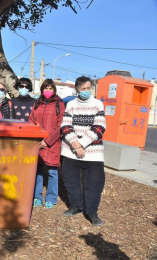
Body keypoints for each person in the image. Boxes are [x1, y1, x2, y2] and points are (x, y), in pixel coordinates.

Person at [60, 76, 106, 226]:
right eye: (83, 89)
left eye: (88, 88)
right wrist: (75, 144)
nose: (86, 91)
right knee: (71, 181)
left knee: (95, 183)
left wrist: (82, 144)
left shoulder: (97, 104)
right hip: (70, 151)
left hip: (93, 152)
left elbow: (99, 127)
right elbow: (65, 126)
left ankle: (92, 212)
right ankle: (76, 206)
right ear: (77, 89)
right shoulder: (71, 105)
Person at [29, 79, 65, 209]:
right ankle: (37, 197)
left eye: (50, 88)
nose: (48, 90)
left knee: (52, 172)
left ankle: (51, 198)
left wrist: (47, 141)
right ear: (42, 90)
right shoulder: (37, 103)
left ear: (54, 90)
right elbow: (31, 121)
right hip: (37, 142)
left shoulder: (59, 103)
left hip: (52, 143)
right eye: (46, 88)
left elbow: (60, 125)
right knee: (37, 171)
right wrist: (36, 139)